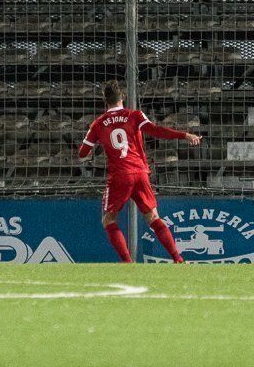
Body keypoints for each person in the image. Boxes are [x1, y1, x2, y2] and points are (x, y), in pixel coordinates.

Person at [78, 80, 202, 263]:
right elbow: (156, 130)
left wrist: (94, 147)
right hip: (140, 172)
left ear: (105, 100)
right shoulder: (134, 115)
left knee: (109, 219)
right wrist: (184, 135)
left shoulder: (98, 124)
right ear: (123, 98)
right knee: (153, 216)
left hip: (120, 175)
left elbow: (82, 153)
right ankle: (177, 258)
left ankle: (128, 263)